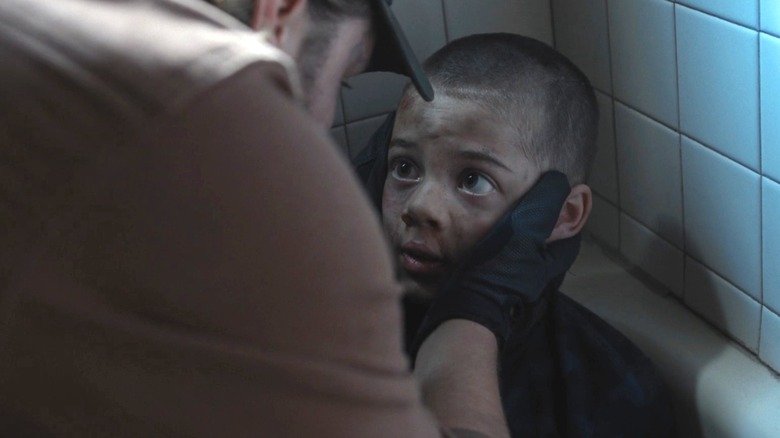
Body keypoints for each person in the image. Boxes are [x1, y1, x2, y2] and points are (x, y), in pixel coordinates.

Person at [0, 0, 511, 436]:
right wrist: (476, 313)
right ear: (283, 11)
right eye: (344, 79)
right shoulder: (216, 129)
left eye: (472, 180)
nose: (326, 119)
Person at [354, 33, 676, 437]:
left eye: (473, 179)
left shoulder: (613, 395)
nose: (420, 206)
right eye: (404, 168)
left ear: (562, 214)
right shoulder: (318, 345)